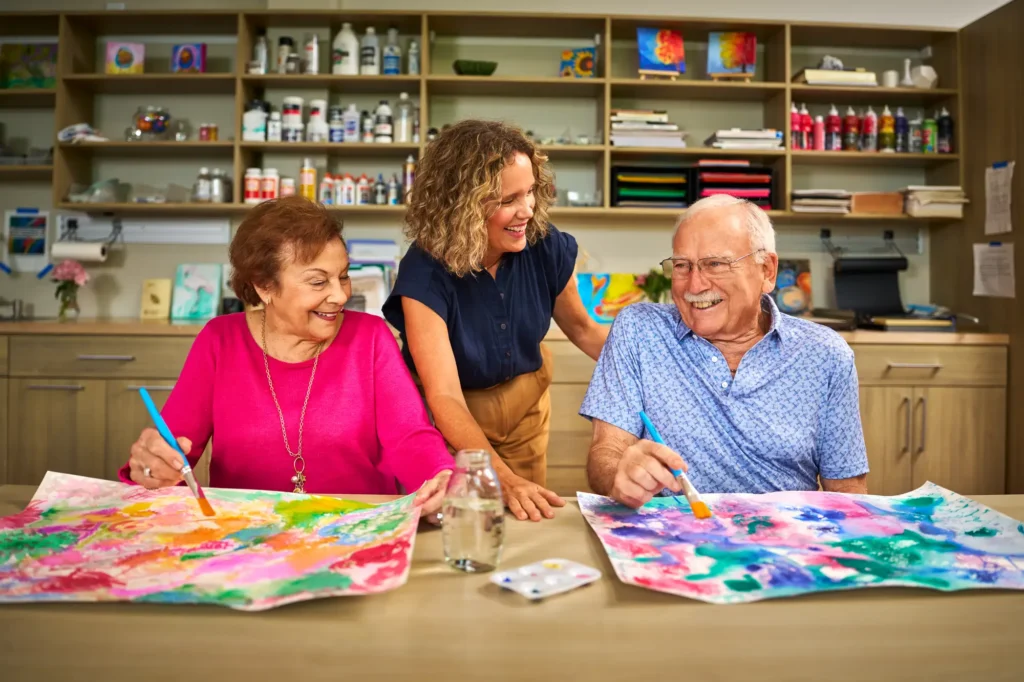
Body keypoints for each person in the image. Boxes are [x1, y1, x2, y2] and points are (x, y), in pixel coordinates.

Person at [120, 197, 454, 517]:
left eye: (344, 276)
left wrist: (439, 474)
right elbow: (174, 453)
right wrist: (154, 469)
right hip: (249, 538)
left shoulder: (370, 338)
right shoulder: (220, 341)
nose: (340, 296)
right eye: (318, 282)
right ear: (265, 286)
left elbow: (410, 437)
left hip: (355, 529)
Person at [382, 119, 609, 522]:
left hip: (525, 408)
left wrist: (660, 372)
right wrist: (501, 478)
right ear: (462, 206)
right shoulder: (425, 270)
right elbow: (445, 396)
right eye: (509, 199)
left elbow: (584, 329)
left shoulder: (544, 245)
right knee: (467, 524)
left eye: (531, 192)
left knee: (525, 523)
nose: (528, 210)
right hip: (453, 420)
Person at [581, 195, 869, 509]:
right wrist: (619, 477)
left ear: (767, 271)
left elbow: (847, 492)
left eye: (715, 264)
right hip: (669, 540)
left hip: (784, 542)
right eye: (681, 266)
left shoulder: (825, 354)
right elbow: (605, 454)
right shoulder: (639, 331)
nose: (695, 284)